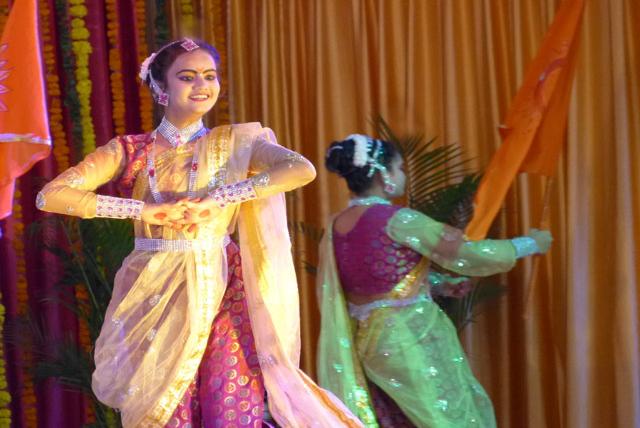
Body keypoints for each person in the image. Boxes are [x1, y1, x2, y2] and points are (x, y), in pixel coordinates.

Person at [37, 38, 363, 428]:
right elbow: (51, 195)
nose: (202, 85)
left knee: (230, 400)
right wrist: (144, 210)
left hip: (224, 286)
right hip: (156, 288)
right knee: (166, 407)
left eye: (209, 76)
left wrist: (219, 198)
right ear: (161, 88)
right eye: (187, 77)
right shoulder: (130, 149)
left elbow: (300, 169)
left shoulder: (234, 143)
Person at [317, 134, 552, 428]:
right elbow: (465, 252)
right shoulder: (397, 219)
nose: (403, 175)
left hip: (369, 344)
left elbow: (372, 279)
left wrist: (439, 284)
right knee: (448, 419)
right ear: (383, 174)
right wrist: (529, 243)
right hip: (409, 338)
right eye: (399, 169)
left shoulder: (336, 226)